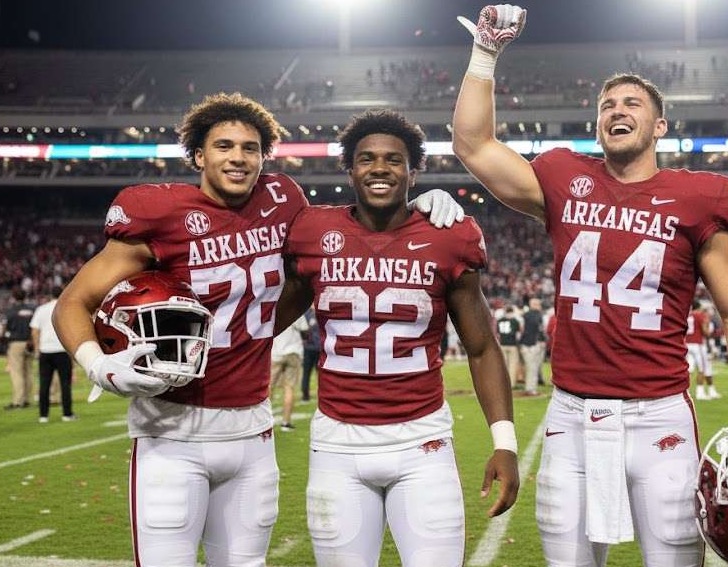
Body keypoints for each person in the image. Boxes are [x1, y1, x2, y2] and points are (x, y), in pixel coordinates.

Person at [52, 92, 463, 567]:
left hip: (252, 430)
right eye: (224, 146)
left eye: (250, 148)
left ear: (264, 157)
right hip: (171, 428)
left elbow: (329, 249)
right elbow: (73, 303)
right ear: (198, 155)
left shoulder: (281, 200)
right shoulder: (160, 212)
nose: (238, 157)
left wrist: (415, 211)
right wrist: (97, 365)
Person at [452, 7, 728, 566]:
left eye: (632, 104)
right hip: (571, 417)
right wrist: (484, 55)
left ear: (660, 127)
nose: (617, 110)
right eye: (607, 105)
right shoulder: (564, 178)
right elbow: (473, 144)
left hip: (660, 419)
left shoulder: (699, 197)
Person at [285, 108, 520, 567]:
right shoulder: (313, 231)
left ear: (413, 171)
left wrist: (505, 442)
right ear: (349, 169)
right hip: (337, 444)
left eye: (394, 160)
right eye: (366, 158)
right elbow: (264, 322)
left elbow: (481, 346)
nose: (380, 168)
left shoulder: (449, 236)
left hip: (422, 442)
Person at [31, 286, 75, 423]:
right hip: (62, 350)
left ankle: (43, 415)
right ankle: (67, 414)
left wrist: (37, 348)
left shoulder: (41, 309)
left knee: (44, 384)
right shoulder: (67, 309)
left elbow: (35, 331)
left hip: (45, 350)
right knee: (65, 384)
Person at [3, 288, 36, 409]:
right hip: (30, 343)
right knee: (28, 371)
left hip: (16, 342)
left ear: (14, 297)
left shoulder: (11, 310)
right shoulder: (33, 309)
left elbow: (6, 328)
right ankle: (27, 399)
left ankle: (18, 401)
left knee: (17, 373)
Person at [270, 316, 304, 432]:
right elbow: (305, 327)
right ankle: (286, 422)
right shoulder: (295, 310)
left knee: (269, 387)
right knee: (289, 388)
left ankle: (265, 420)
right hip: (293, 352)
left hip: (276, 353)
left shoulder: (273, 309)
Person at [686, 301, 718, 400]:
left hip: (687, 344)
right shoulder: (700, 315)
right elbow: (705, 332)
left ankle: (685, 391)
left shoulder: (688, 315)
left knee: (688, 369)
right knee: (702, 369)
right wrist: (710, 331)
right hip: (697, 344)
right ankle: (700, 393)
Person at [518, 296, 546, 396]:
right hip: (531, 345)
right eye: (538, 304)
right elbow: (539, 329)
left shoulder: (525, 315)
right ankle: (530, 389)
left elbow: (520, 330)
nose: (540, 306)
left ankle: (531, 387)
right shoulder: (536, 316)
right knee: (532, 368)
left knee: (533, 368)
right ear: (533, 305)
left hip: (527, 344)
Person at [496, 304, 522, 389]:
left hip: (502, 344)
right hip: (512, 345)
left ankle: (502, 383)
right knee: (512, 366)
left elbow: (498, 334)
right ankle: (511, 384)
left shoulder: (500, 320)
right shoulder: (514, 321)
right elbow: (518, 334)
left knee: (503, 366)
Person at [298, 308, 320, 402]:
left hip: (316, 348)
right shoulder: (307, 313)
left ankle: (311, 395)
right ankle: (305, 395)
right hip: (311, 348)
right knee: (307, 373)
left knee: (318, 374)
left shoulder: (308, 313)